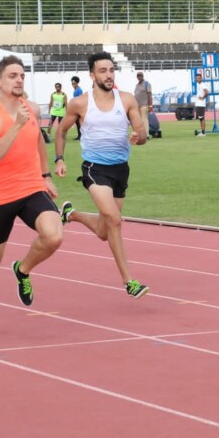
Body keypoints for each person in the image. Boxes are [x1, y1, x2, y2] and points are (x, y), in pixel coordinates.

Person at [0, 55, 63, 342]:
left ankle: (23, 270)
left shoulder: (31, 108)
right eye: (12, 76)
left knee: (54, 236)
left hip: (31, 187)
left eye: (22, 75)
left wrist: (46, 174)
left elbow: (37, 140)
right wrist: (15, 126)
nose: (19, 80)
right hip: (1, 195)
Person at [53, 51, 149, 300]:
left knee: (105, 231)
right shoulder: (80, 103)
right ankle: (129, 281)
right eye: (103, 71)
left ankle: (71, 214)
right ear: (92, 75)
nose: (108, 75)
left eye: (111, 70)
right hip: (94, 169)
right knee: (115, 220)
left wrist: (139, 137)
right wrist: (60, 159)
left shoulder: (126, 99)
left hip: (120, 169)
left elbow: (142, 132)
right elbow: (61, 131)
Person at [134, 71, 153, 137]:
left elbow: (149, 95)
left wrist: (150, 105)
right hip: (137, 105)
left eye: (140, 76)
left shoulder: (147, 84)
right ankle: (141, 134)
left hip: (144, 104)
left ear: (143, 76)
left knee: (144, 119)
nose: (139, 77)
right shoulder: (137, 85)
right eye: (138, 76)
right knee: (139, 121)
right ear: (137, 77)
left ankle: (146, 135)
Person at [70, 75, 83, 140]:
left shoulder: (79, 90)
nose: (73, 84)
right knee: (77, 123)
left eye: (74, 83)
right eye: (72, 83)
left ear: (77, 83)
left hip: (78, 108)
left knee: (79, 123)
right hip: (76, 108)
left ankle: (81, 136)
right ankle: (79, 135)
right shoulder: (75, 90)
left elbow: (80, 99)